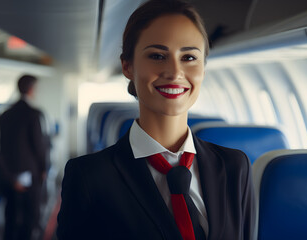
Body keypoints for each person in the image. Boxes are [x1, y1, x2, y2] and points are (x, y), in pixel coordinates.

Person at [57, 0, 256, 239]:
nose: (174, 72)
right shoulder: (89, 177)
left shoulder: (235, 166)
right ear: (128, 66)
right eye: (157, 56)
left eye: (189, 57)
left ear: (203, 67)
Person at [0, 75, 48, 240]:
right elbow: (38, 146)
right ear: (31, 89)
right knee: (30, 217)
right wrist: (43, 168)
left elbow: (1, 148)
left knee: (11, 216)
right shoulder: (34, 114)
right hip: (29, 173)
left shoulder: (4, 115)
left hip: (9, 174)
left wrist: (9, 177)